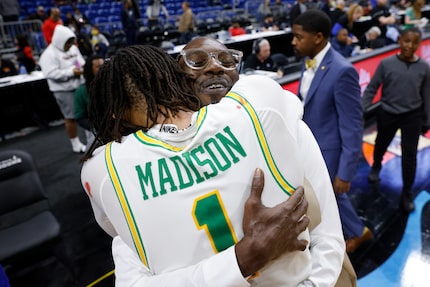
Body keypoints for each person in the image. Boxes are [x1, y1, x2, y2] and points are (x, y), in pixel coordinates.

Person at [80, 44, 345, 286]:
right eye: (197, 61)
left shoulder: (104, 169)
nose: (214, 66)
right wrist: (243, 258)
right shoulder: (263, 105)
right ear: (177, 79)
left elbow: (328, 232)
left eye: (226, 58)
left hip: (324, 272)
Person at [292, 9, 372, 253]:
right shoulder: (308, 63)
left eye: (298, 36)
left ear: (317, 37)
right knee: (327, 197)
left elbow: (352, 124)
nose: (293, 42)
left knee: (335, 195)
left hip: (330, 152)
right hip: (311, 146)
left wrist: (346, 171)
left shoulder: (342, 71)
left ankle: (359, 232)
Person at [362, 27, 430, 212]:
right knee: (381, 143)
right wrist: (362, 109)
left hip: (412, 116)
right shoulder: (386, 63)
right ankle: (376, 167)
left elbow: (427, 95)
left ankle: (407, 192)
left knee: (410, 156)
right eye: (406, 41)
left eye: (414, 42)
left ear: (418, 44)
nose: (410, 45)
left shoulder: (424, 68)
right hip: (388, 113)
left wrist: (427, 119)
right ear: (400, 41)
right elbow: (371, 88)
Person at [39, 25, 86, 153]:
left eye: (71, 42)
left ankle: (91, 139)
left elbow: (79, 62)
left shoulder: (73, 48)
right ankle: (75, 144)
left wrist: (80, 69)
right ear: (60, 40)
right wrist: (72, 72)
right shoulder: (48, 55)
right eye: (68, 42)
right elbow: (50, 73)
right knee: (71, 117)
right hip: (63, 90)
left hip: (79, 86)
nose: (70, 45)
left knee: (86, 114)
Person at [74, 54, 104, 151]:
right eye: (98, 67)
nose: (102, 69)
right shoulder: (81, 91)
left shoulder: (115, 85)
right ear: (90, 70)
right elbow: (80, 117)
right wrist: (97, 127)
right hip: (98, 131)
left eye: (103, 66)